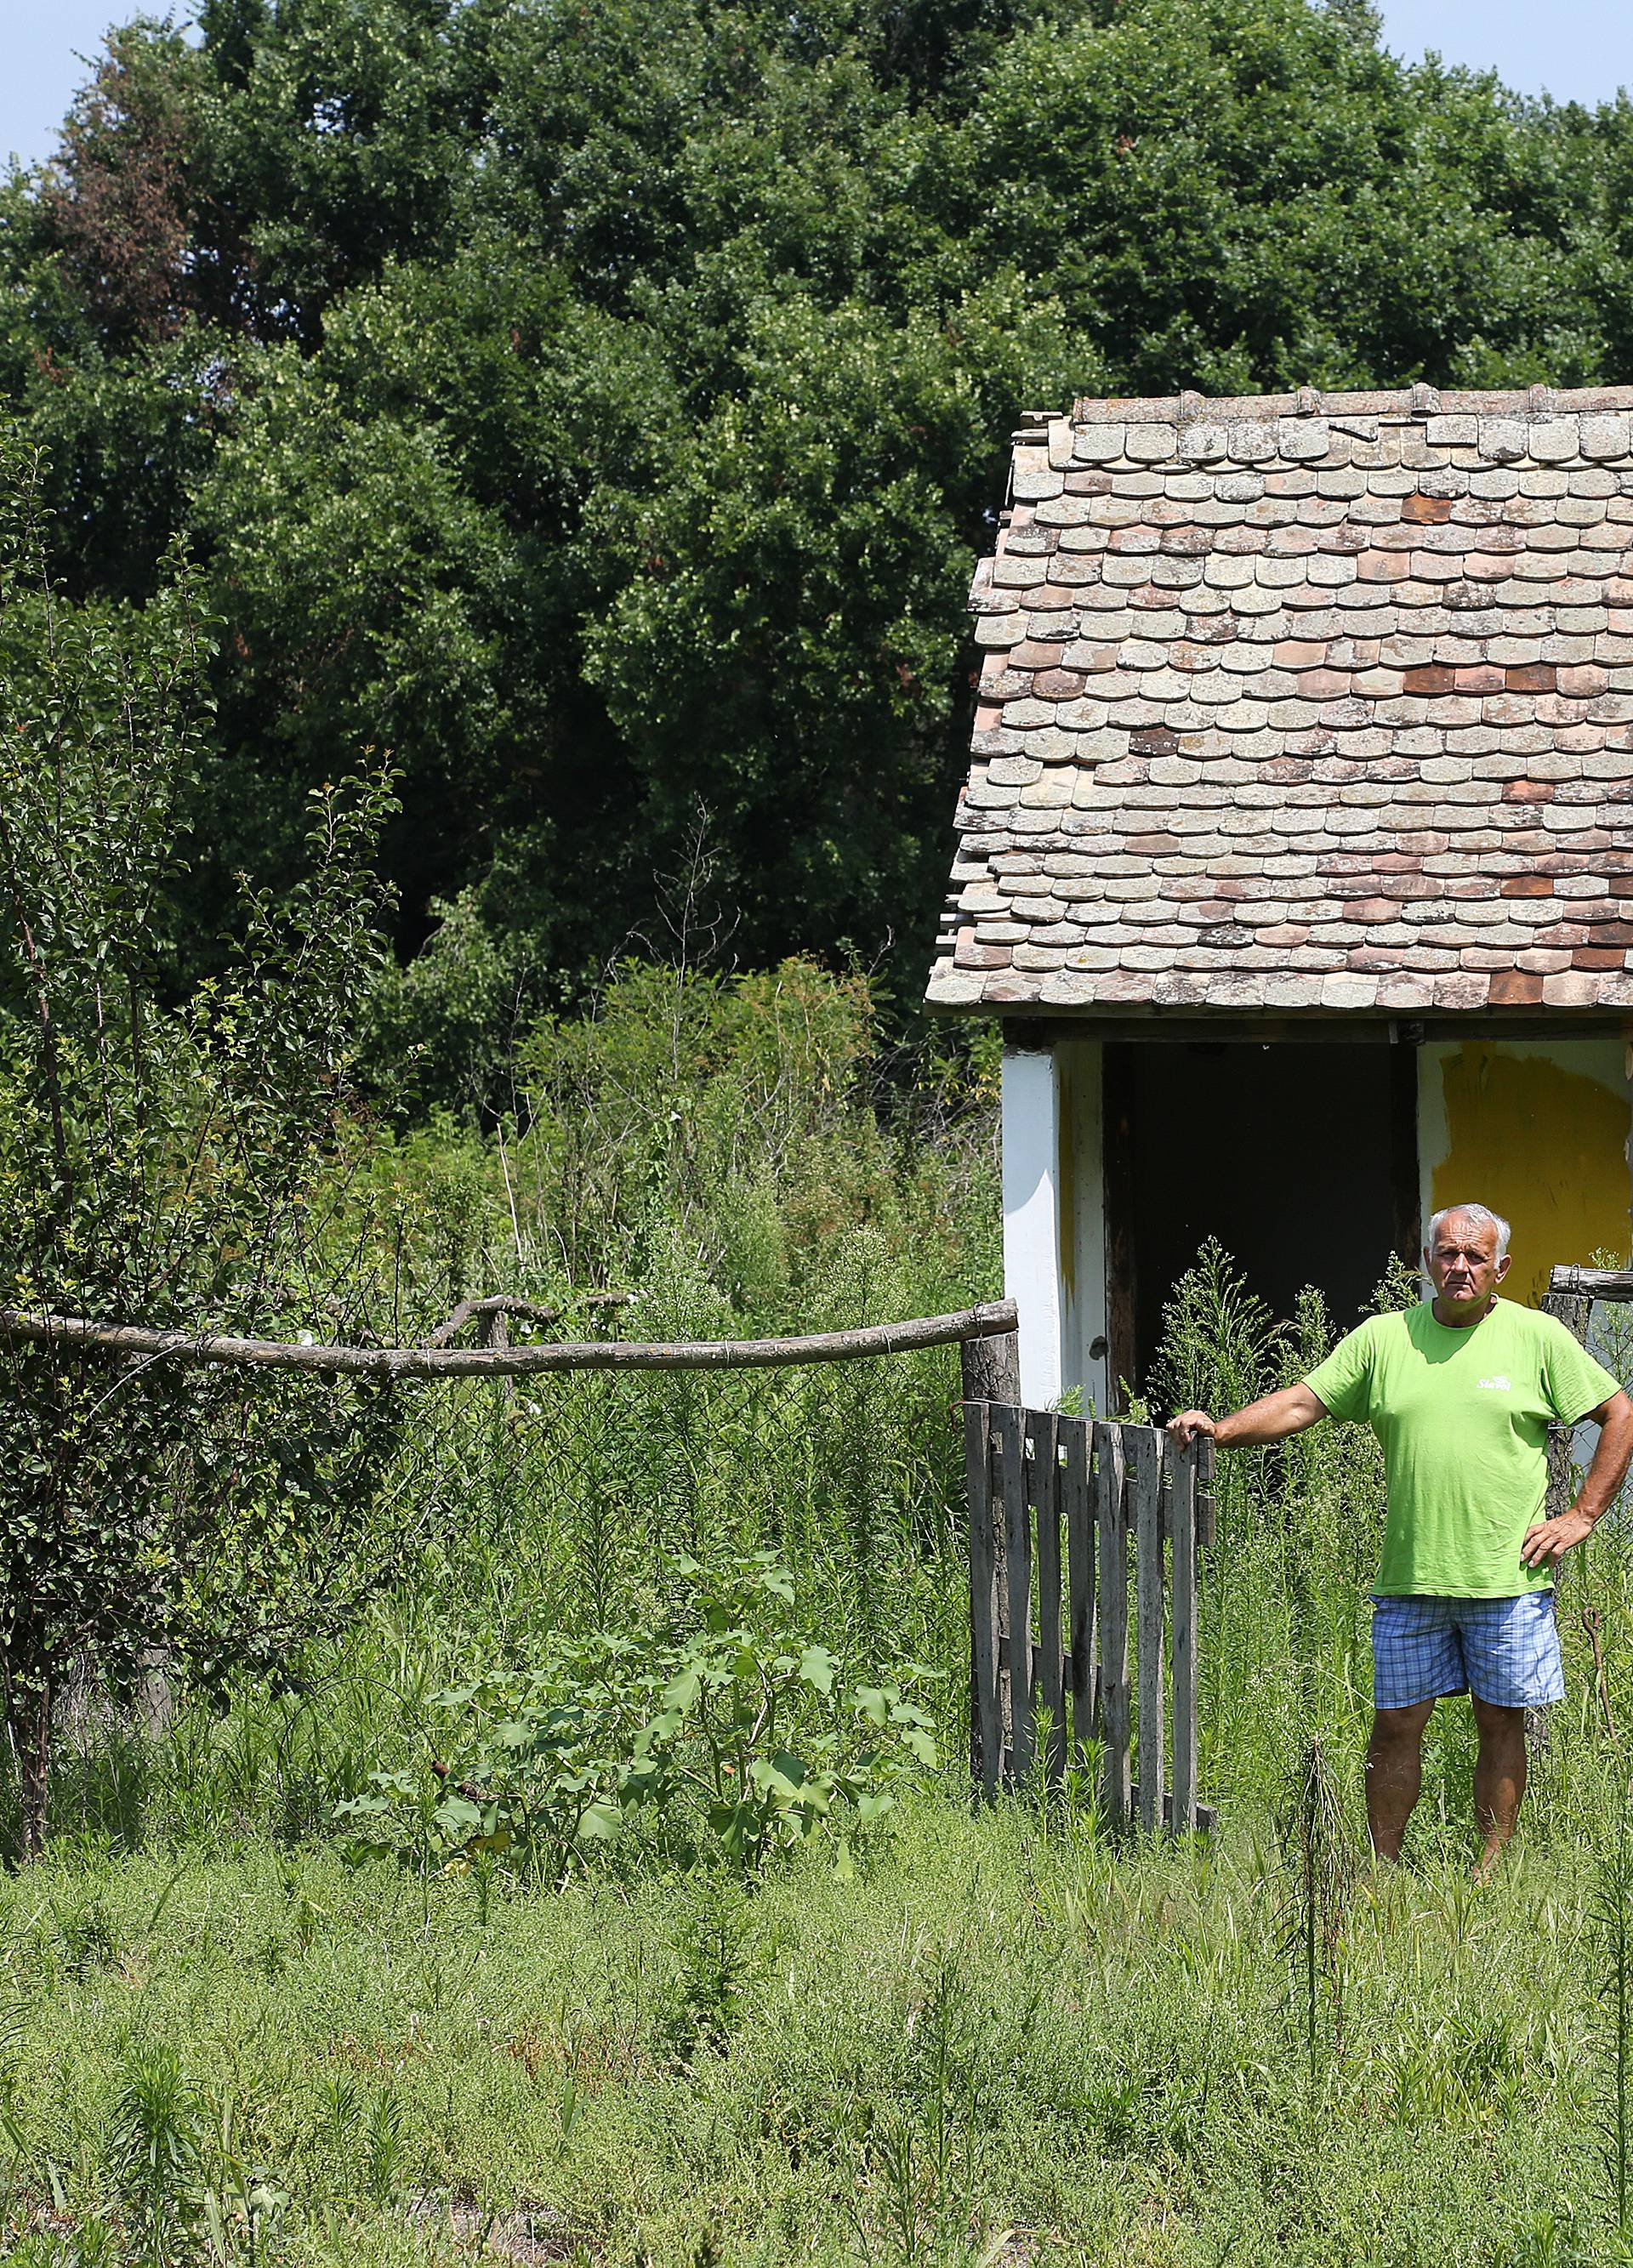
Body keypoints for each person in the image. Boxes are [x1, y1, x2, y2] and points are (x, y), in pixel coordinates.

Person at [1168, 1203, 1633, 1873]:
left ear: (1500, 1267)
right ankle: (1383, 1870)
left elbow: (1617, 1411)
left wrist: (1583, 1515)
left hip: (1507, 1578)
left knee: (1501, 1722)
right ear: (1426, 1261)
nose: (1460, 1267)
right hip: (1410, 1578)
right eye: (1447, 1253)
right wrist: (1224, 1427)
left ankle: (1490, 1871)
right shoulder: (1386, 1339)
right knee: (1393, 1726)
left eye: (1476, 1257)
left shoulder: (1538, 1338)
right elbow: (1305, 1400)